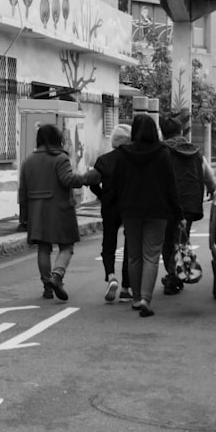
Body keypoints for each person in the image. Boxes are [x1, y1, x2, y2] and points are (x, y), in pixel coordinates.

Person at [109, 114, 182, 317]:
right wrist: (179, 213)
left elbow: (115, 186)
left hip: (130, 211)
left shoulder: (123, 154)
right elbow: (171, 187)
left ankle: (135, 297)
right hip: (158, 211)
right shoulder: (163, 154)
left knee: (134, 255)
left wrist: (116, 208)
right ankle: (145, 299)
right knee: (151, 255)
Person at [18, 124, 100, 301]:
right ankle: (57, 275)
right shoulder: (60, 158)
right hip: (59, 209)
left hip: (36, 211)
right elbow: (68, 179)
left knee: (43, 247)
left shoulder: (28, 160)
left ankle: (47, 285)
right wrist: (87, 178)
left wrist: (24, 215)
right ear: (57, 139)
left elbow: (22, 190)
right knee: (66, 246)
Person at [159, 115, 216, 295]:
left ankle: (173, 277)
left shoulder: (162, 150)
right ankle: (175, 274)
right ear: (181, 131)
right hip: (190, 203)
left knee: (168, 240)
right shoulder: (194, 151)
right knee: (180, 239)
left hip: (168, 203)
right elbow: (207, 173)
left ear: (163, 133)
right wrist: (211, 188)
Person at [89, 123, 133, 303]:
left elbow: (92, 182)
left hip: (109, 205)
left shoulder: (103, 160)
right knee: (130, 245)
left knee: (109, 242)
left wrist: (103, 196)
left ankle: (111, 276)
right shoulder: (134, 160)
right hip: (129, 205)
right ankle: (126, 288)